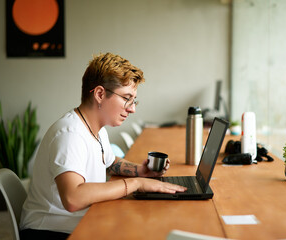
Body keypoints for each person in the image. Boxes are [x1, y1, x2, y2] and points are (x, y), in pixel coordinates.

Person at [19, 53, 186, 240]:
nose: (132, 108)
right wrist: (136, 183)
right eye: (126, 98)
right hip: (49, 232)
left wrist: (140, 171)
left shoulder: (96, 129)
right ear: (99, 94)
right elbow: (73, 198)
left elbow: (109, 161)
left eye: (133, 100)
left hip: (77, 223)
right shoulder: (70, 135)